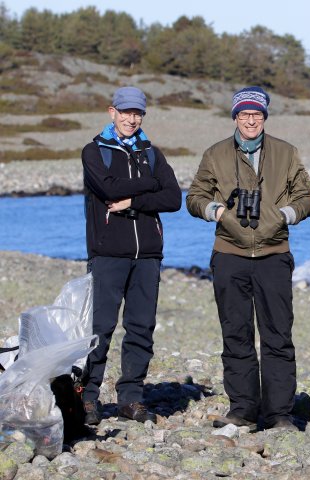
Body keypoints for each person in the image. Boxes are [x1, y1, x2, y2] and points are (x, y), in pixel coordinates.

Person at [186, 86, 310, 432]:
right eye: (244, 115)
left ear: (264, 118)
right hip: (229, 253)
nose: (250, 121)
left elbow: (309, 197)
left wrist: (284, 214)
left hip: (274, 254)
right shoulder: (215, 154)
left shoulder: (286, 153)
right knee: (236, 333)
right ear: (235, 117)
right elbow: (195, 196)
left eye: (256, 115)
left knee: (278, 335)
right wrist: (216, 211)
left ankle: (278, 413)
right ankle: (243, 408)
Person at [81, 86, 181, 424]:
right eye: (125, 112)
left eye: (137, 113)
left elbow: (174, 199)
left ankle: (131, 399)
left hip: (148, 256)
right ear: (112, 112)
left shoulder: (152, 153)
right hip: (108, 254)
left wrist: (135, 201)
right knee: (99, 328)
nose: (131, 118)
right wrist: (150, 185)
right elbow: (107, 189)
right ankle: (88, 397)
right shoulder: (94, 152)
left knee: (141, 327)